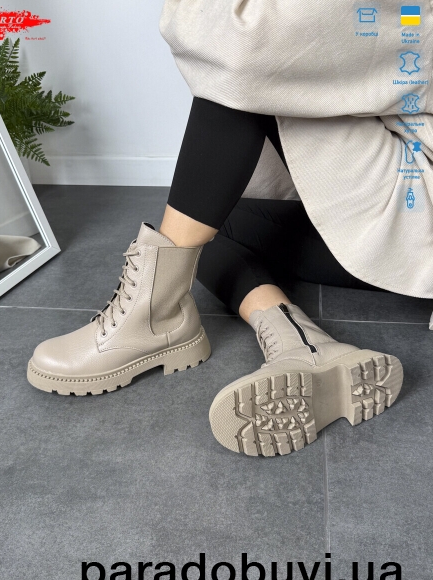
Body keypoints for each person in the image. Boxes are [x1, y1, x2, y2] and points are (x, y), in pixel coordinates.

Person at [26, 96, 404, 458]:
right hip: (384, 216)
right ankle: (299, 339)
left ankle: (155, 316)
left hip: (412, 229)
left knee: (238, 82)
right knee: (208, 221)